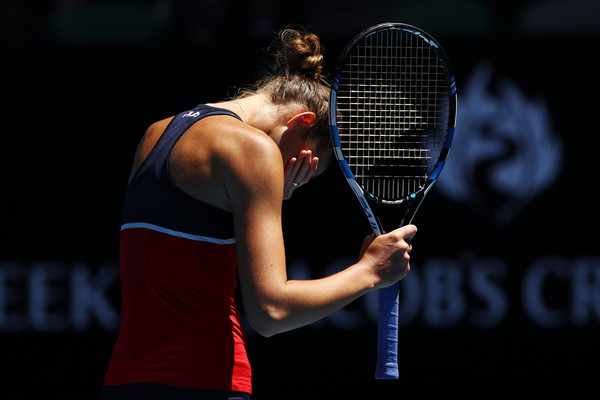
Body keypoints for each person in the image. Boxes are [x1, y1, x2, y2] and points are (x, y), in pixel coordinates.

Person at [100, 27, 417, 400]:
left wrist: (262, 197)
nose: (291, 176)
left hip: (125, 384)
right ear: (302, 123)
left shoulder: (157, 133)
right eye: (302, 165)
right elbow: (271, 311)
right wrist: (369, 272)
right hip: (206, 383)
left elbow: (185, 248)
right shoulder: (254, 150)